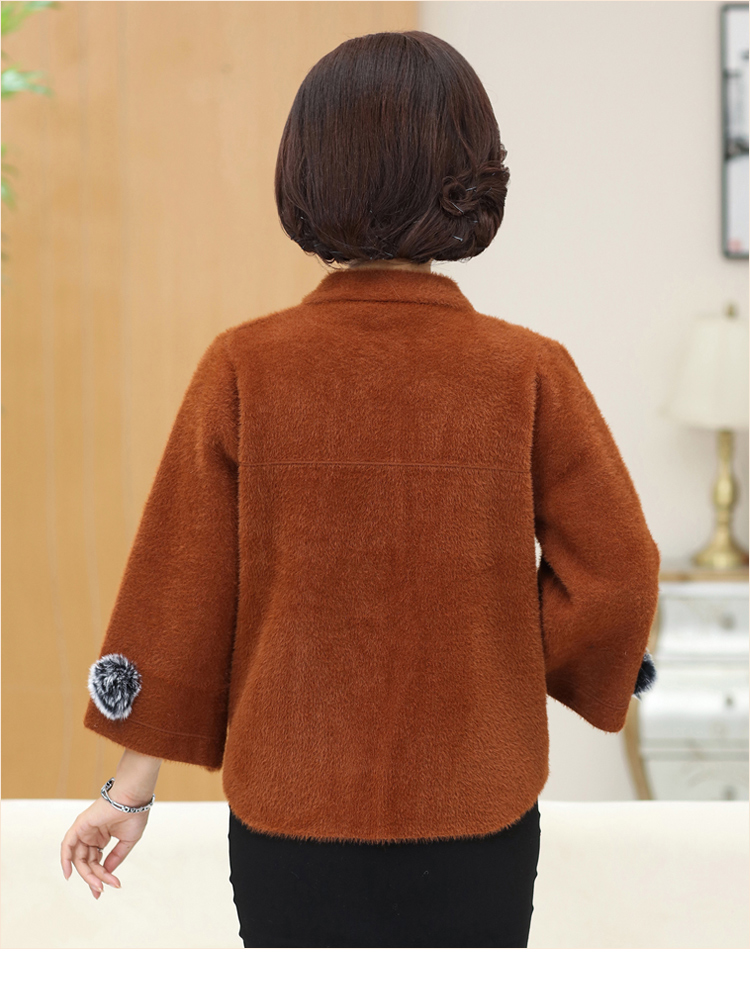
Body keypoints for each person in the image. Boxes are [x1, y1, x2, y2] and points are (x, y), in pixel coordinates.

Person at [61, 30, 660, 948]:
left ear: (308, 172)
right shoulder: (528, 372)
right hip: (479, 814)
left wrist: (128, 791)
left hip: (288, 820)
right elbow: (618, 572)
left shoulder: (244, 367)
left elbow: (184, 590)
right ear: (471, 172)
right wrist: (502, 656)